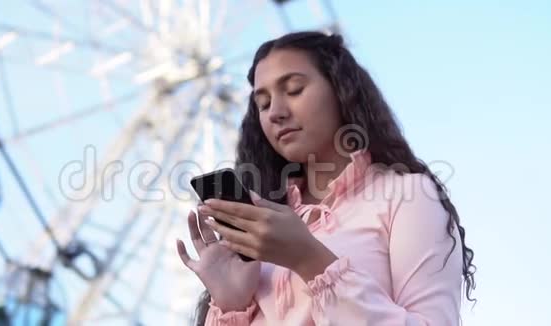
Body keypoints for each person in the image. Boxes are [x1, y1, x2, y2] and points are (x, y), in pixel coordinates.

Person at [176, 31, 476, 326]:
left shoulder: (406, 194)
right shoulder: (264, 220)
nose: (275, 113)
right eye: (263, 104)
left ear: (342, 91)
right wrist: (232, 305)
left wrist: (310, 260)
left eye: (294, 89)